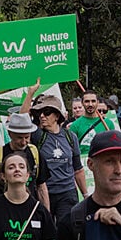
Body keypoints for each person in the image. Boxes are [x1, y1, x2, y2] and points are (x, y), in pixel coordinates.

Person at [0, 111, 51, 214]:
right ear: (10, 134)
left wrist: (47, 216)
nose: (24, 142)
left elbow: (42, 187)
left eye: (27, 137)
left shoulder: (35, 154)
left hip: (29, 211)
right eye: (19, 138)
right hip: (1, 212)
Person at [28, 93, 87, 221]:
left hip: (67, 192)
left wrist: (86, 195)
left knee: (66, 229)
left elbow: (78, 169)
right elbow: (22, 119)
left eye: (47, 112)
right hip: (44, 192)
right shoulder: (38, 136)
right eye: (40, 113)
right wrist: (30, 93)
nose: (42, 116)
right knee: (47, 232)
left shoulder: (71, 137)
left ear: (57, 116)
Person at [68, 90, 117, 155]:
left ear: (97, 102)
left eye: (93, 101)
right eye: (87, 101)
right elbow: (71, 150)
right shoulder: (75, 125)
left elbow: (113, 146)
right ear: (82, 103)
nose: (90, 104)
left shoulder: (108, 123)